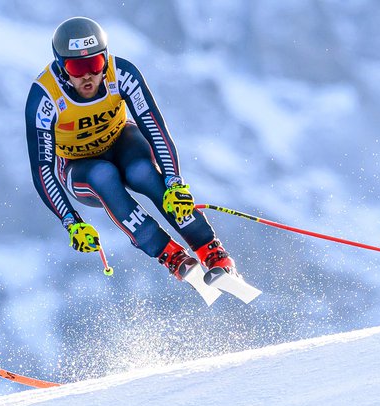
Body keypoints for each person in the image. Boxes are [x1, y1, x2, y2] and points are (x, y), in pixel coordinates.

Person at [25, 16, 236, 282]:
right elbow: (42, 170)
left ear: (105, 58)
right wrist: (71, 221)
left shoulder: (121, 73)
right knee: (103, 175)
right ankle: (170, 255)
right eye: (76, 68)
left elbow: (155, 128)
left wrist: (174, 182)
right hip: (79, 167)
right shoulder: (45, 97)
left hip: (123, 144)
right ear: (61, 67)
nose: (88, 76)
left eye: (94, 64)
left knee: (142, 172)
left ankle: (212, 252)